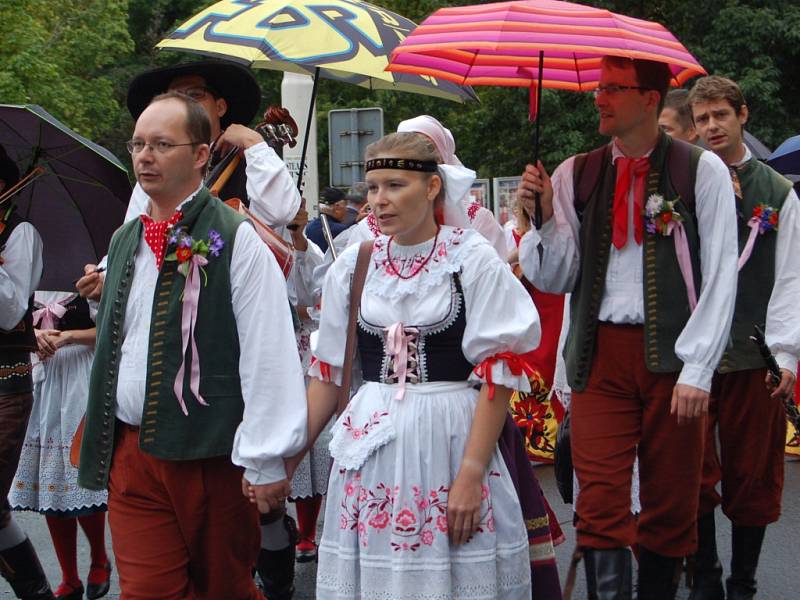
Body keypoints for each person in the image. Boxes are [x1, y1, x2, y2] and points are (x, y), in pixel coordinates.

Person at [517, 56, 739, 598]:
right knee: (598, 501)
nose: (599, 98)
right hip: (598, 355)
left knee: (670, 501)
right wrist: (541, 217)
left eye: (613, 89)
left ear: (650, 99)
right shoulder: (577, 172)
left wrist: (700, 368)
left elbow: (720, 276)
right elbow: (557, 275)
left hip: (674, 357)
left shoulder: (699, 169)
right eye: (599, 87)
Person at [288, 132, 540, 598]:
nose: (379, 201)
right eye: (373, 187)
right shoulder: (355, 264)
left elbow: (498, 374)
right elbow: (328, 376)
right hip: (371, 453)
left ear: (431, 188)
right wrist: (283, 462)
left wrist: (470, 473)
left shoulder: (471, 259)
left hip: (451, 443)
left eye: (394, 186)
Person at [76, 92, 307, 600]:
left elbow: (268, 350)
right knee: (147, 591)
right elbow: (130, 336)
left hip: (211, 452)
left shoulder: (236, 237)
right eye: (138, 144)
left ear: (201, 155)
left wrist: (267, 460)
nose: (144, 155)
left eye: (161, 143)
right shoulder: (125, 239)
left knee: (222, 588)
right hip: (132, 454)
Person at [686, 75, 800, 600]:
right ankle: (705, 576)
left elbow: (790, 277)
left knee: (753, 476)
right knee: (691, 472)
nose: (711, 126)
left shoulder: (778, 192)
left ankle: (744, 582)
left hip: (754, 354)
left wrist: (785, 354)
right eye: (702, 118)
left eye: (720, 116)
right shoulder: (681, 185)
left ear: (742, 116)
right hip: (692, 359)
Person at [77, 60, 301, 301]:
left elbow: (281, 210)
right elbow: (136, 238)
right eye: (175, 98)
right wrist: (104, 276)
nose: (184, 104)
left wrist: (253, 142)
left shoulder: (252, 161)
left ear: (221, 107)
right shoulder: (155, 172)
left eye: (195, 95)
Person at [9, 292, 110, 600]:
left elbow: (109, 330)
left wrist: (67, 337)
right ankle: (70, 577)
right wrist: (33, 335)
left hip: (80, 376)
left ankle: (99, 558)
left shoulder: (89, 277)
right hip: (40, 377)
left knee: (80, 472)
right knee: (49, 479)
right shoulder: (21, 282)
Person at [0, 146, 55, 599]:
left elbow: (11, 310)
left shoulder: (20, 235)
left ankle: (34, 589)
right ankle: (34, 590)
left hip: (5, 387)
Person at [505, 198, 566, 464]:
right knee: (532, 368)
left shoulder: (560, 237)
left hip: (554, 306)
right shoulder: (515, 236)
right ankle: (530, 437)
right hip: (531, 310)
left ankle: (551, 437)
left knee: (550, 365)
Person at [304, 187, 351, 254]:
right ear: (337, 207)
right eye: (345, 205)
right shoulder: (340, 230)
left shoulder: (309, 227)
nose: (347, 209)